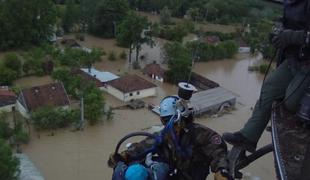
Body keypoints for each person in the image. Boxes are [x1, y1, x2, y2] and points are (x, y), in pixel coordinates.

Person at [223, 0, 310, 152]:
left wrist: (293, 37)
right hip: (296, 59)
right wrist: (278, 32)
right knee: (270, 87)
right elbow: (285, 22)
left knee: (291, 102)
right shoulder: (291, 3)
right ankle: (248, 137)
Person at [109, 96, 230, 180]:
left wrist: (221, 171)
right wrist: (125, 155)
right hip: (172, 175)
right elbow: (146, 145)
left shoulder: (201, 134)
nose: (171, 126)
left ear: (183, 117)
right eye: (165, 121)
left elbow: (219, 152)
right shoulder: (165, 134)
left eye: (173, 121)